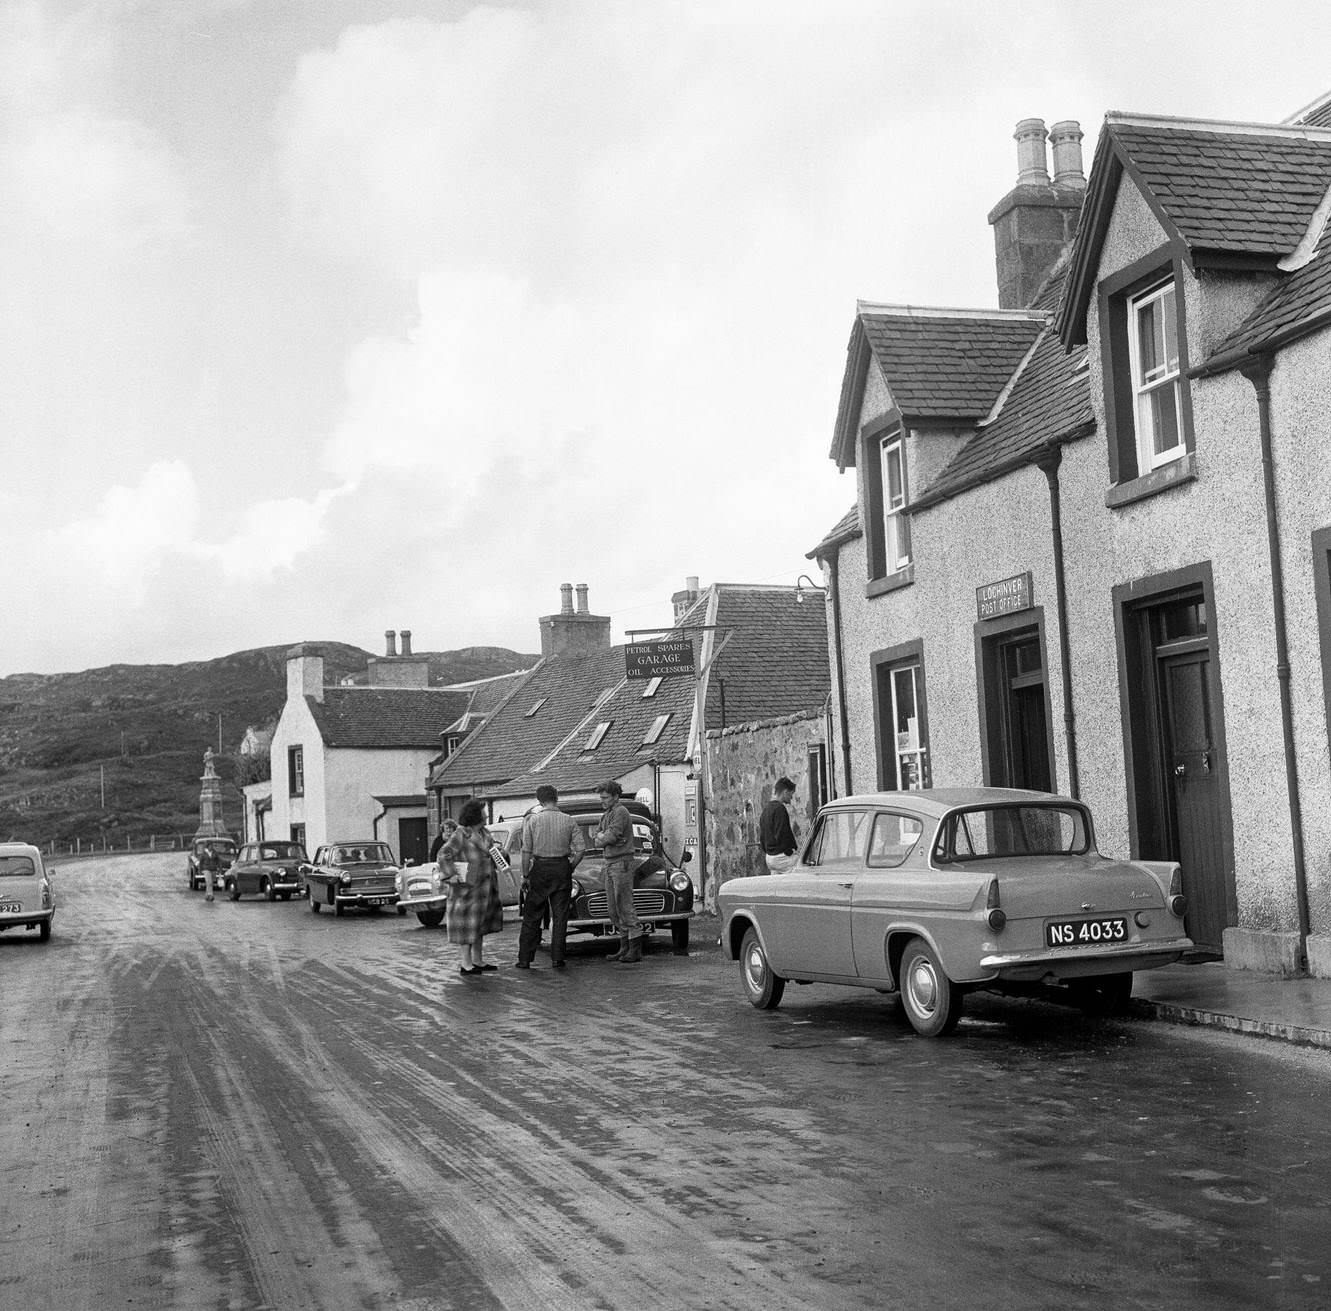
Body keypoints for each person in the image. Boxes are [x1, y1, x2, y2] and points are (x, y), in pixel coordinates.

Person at [516, 785, 585, 970]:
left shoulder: (532, 821)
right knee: (560, 915)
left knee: (532, 915)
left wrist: (525, 875)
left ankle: (525, 959)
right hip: (562, 868)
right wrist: (570, 867)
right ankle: (557, 958)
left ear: (539, 801)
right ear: (556, 798)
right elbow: (581, 850)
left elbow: (526, 851)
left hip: (540, 868)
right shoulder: (569, 820)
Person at [439, 800, 503, 976]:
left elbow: (492, 853)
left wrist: (500, 853)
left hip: (484, 888)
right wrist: (453, 876)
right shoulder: (461, 834)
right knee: (467, 927)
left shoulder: (485, 833)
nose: (486, 815)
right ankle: (465, 964)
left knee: (479, 925)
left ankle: (478, 960)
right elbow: (444, 854)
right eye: (483, 812)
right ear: (475, 815)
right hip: (466, 889)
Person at [594, 781, 643, 964]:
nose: (603, 801)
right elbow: (598, 837)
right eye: (601, 797)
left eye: (605, 797)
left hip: (621, 863)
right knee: (614, 908)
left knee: (625, 906)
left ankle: (635, 949)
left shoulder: (620, 812)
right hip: (610, 863)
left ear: (616, 796)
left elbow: (610, 836)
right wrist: (603, 838)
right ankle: (624, 947)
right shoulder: (607, 814)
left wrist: (604, 838)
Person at [759, 777, 800, 874]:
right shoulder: (780, 809)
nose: (791, 798)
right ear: (785, 792)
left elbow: (762, 837)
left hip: (770, 857)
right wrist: (790, 851)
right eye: (791, 794)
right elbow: (782, 835)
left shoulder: (766, 810)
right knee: (804, 869)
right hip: (781, 858)